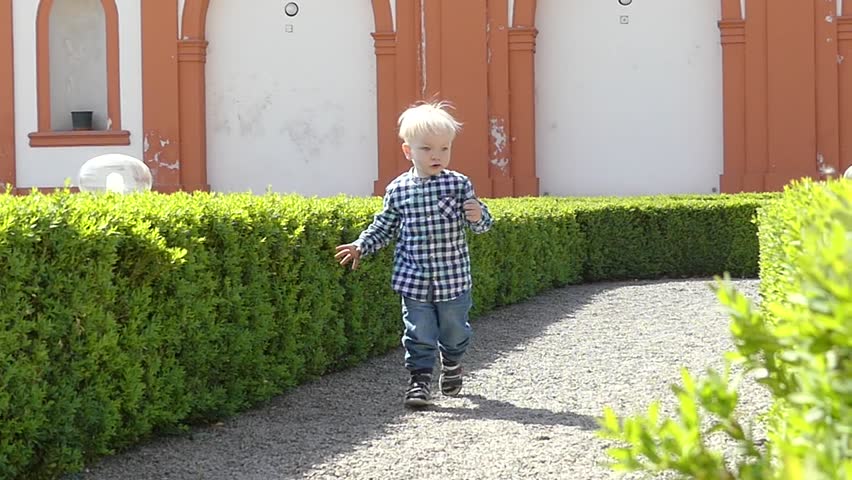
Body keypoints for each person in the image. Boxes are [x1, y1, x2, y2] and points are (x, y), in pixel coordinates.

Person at [335, 100, 493, 407]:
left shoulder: (459, 184)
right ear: (408, 151)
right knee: (418, 332)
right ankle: (419, 382)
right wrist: (360, 245)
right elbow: (384, 226)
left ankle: (451, 362)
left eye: (444, 148)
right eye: (427, 149)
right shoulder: (398, 190)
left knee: (454, 330)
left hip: (453, 279)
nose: (437, 155)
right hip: (413, 279)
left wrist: (478, 216)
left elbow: (482, 226)